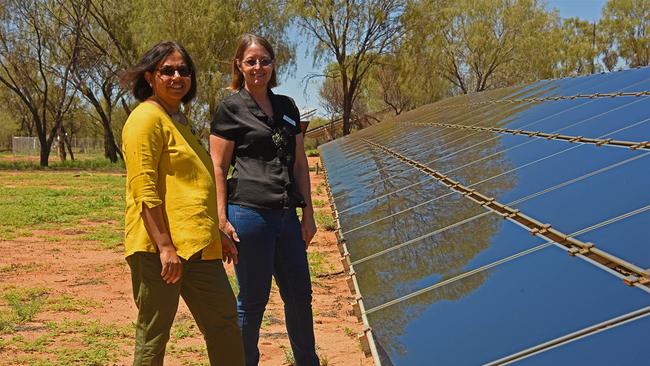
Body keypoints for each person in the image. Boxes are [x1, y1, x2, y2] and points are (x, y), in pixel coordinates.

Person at [120, 41, 244, 366]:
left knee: (225, 323)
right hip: (159, 252)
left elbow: (189, 189)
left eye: (183, 70)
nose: (177, 76)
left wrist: (217, 234)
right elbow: (143, 187)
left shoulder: (179, 120)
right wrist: (164, 246)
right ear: (150, 77)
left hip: (199, 247)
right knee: (154, 334)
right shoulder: (145, 119)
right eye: (167, 70)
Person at [210, 34, 319, 366]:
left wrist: (308, 213)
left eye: (265, 61)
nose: (258, 67)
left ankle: (307, 361)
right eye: (251, 61)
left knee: (300, 296)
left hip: (286, 216)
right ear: (239, 66)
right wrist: (221, 218)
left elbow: (300, 163)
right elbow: (217, 165)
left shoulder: (287, 107)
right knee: (253, 301)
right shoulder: (230, 108)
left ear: (273, 65)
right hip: (249, 216)